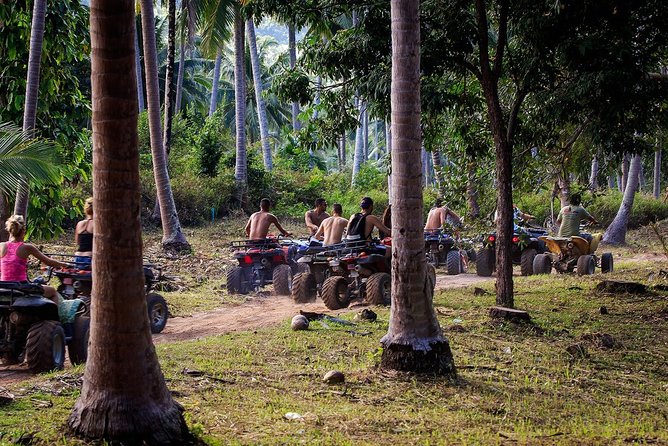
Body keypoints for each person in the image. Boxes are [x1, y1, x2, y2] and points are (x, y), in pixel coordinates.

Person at [0, 215, 68, 304]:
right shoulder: (27, 247)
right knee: (53, 291)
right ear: (23, 231)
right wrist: (63, 264)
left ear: (10, 231)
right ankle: (53, 318)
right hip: (21, 287)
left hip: (4, 286)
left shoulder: (1, 246)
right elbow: (48, 262)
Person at [74, 197, 94, 268]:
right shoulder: (97, 224)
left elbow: (78, 242)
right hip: (90, 258)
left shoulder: (79, 223)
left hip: (77, 257)